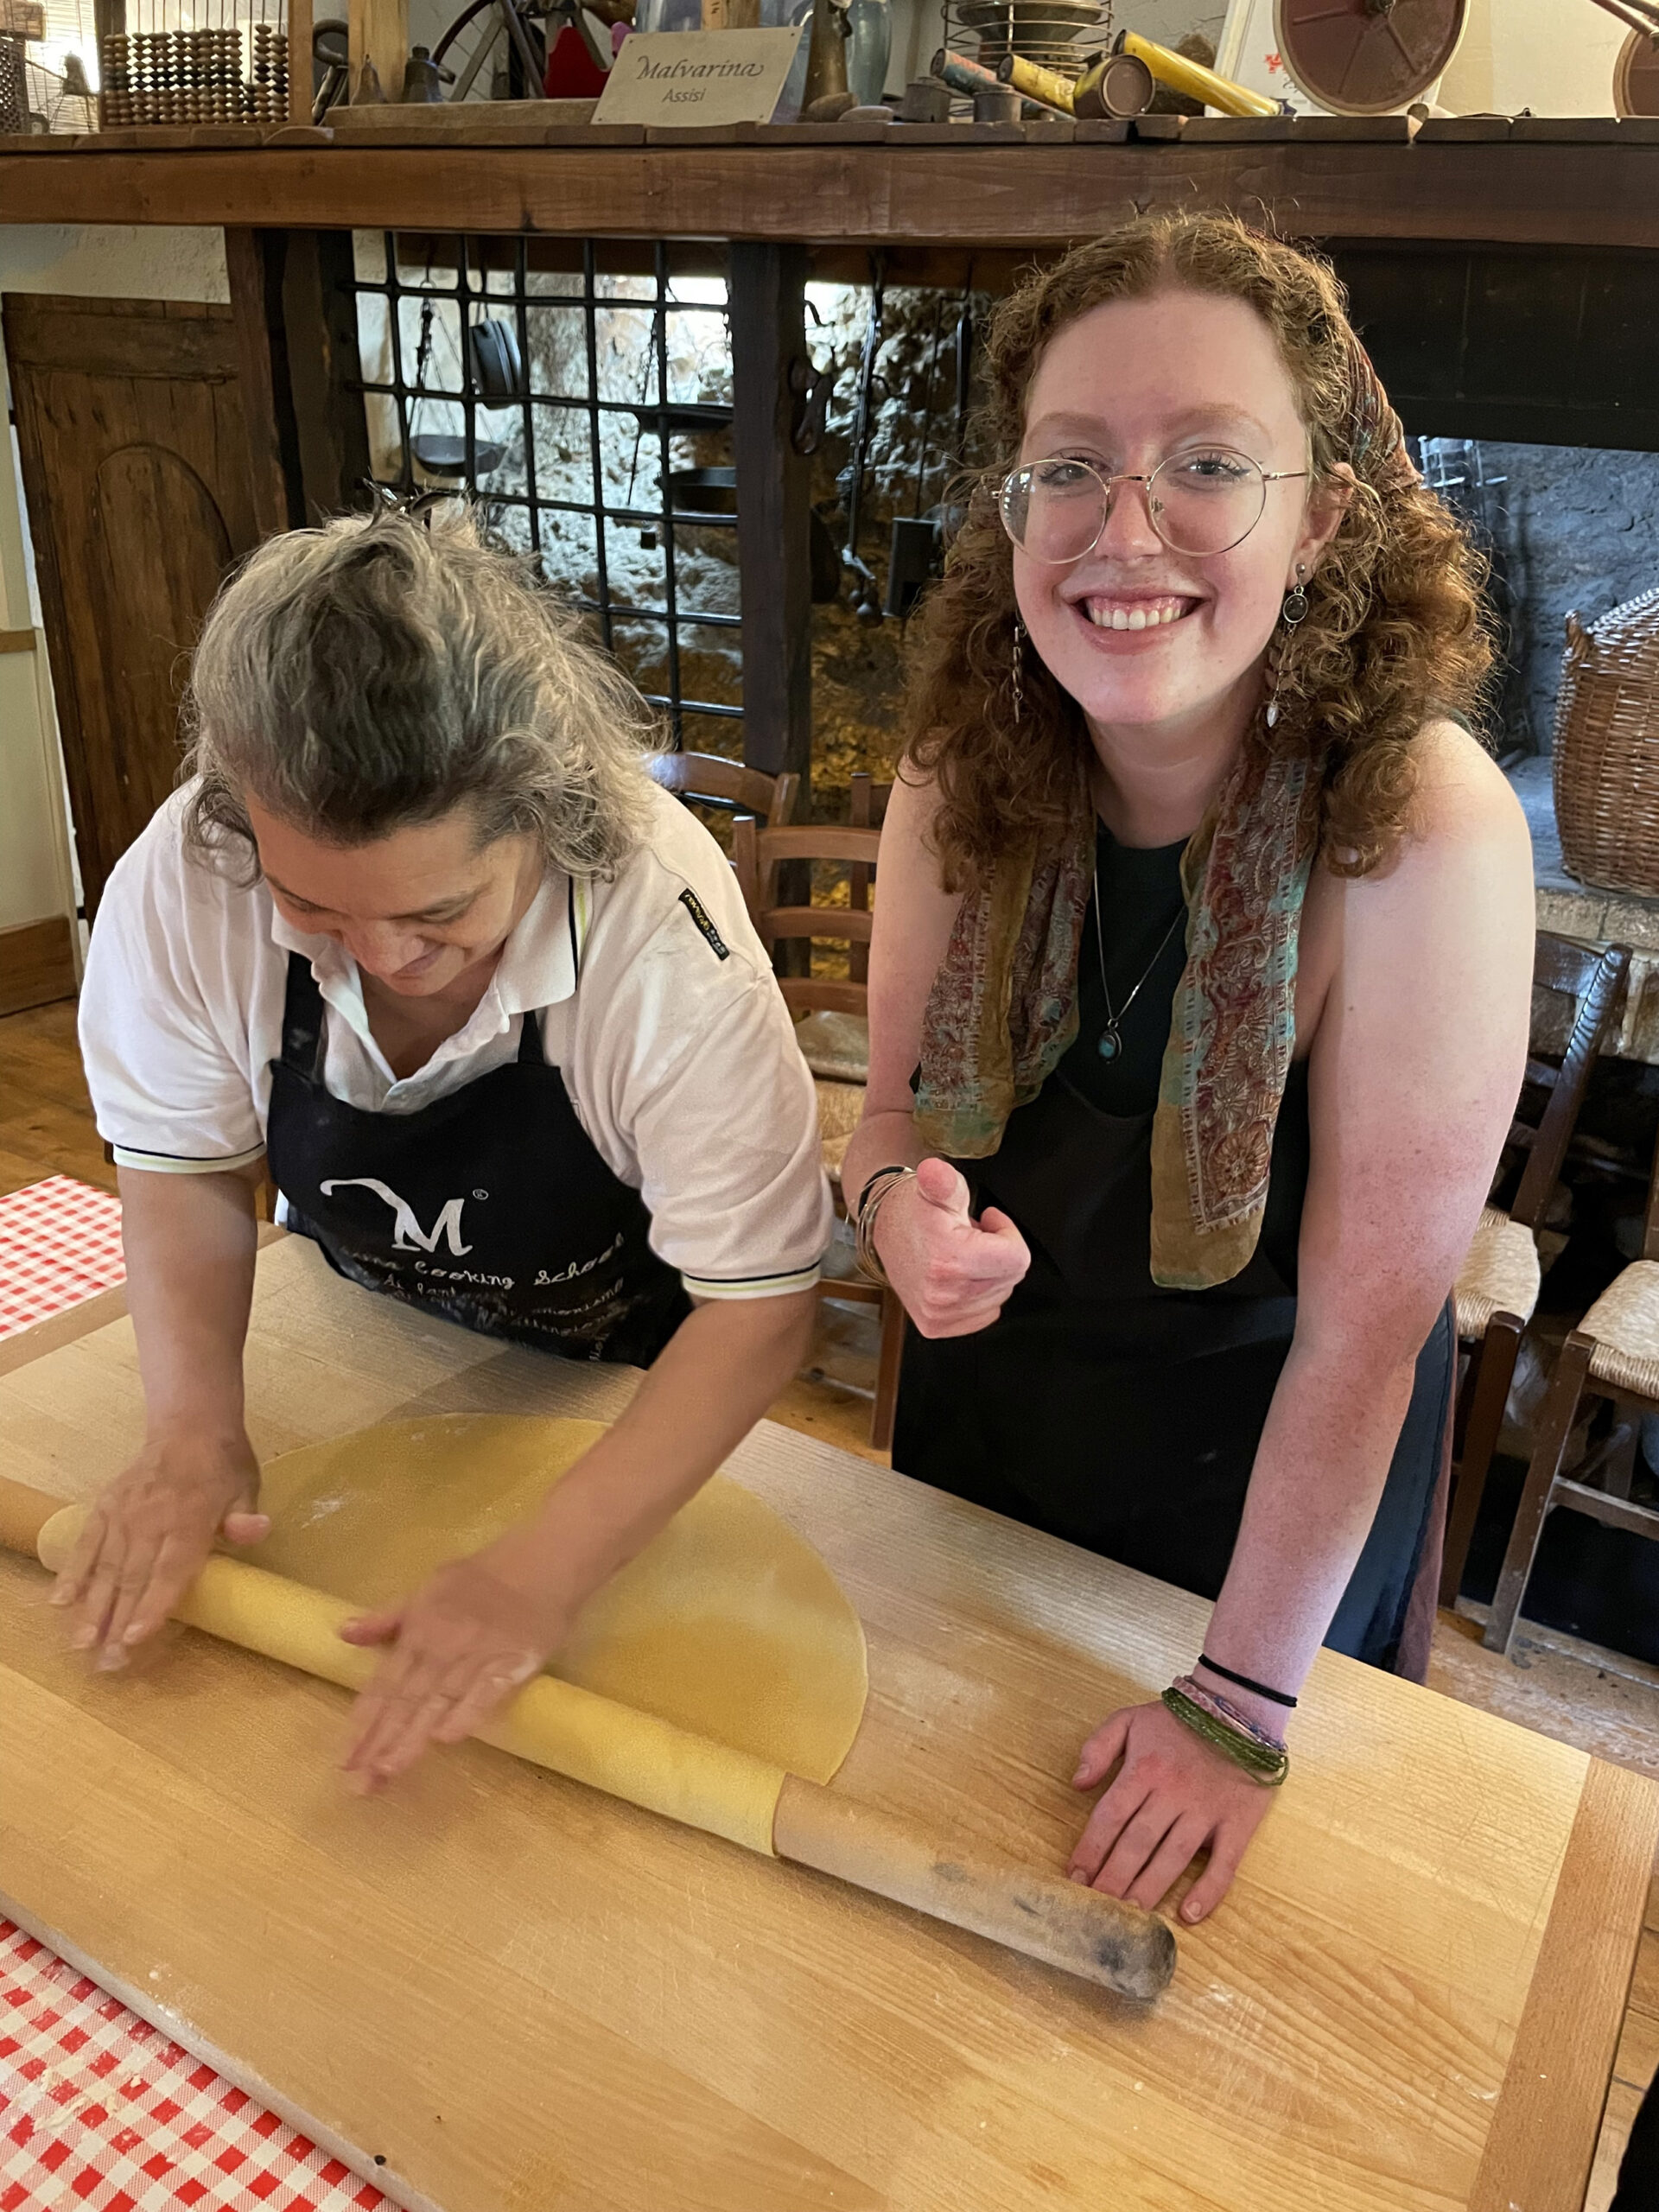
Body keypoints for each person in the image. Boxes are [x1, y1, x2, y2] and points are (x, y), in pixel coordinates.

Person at [841, 214, 1533, 1924]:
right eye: (1068, 469)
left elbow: (1374, 1331)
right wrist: (895, 1221)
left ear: (1323, 522)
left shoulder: (1423, 821)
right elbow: (875, 1127)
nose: (1123, 530)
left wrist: (1238, 1698)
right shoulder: (953, 778)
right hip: (991, 1447)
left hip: (1265, 1527)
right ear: (1010, 512)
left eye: (1208, 462)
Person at [54, 508, 830, 1790]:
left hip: (617, 1382)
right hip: (353, 1337)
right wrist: (194, 1427)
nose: (384, 959)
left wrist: (543, 1568)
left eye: (439, 912)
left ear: (545, 807)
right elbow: (187, 1171)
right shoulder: (188, 878)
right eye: (314, 907)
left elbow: (755, 1309)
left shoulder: (661, 938)